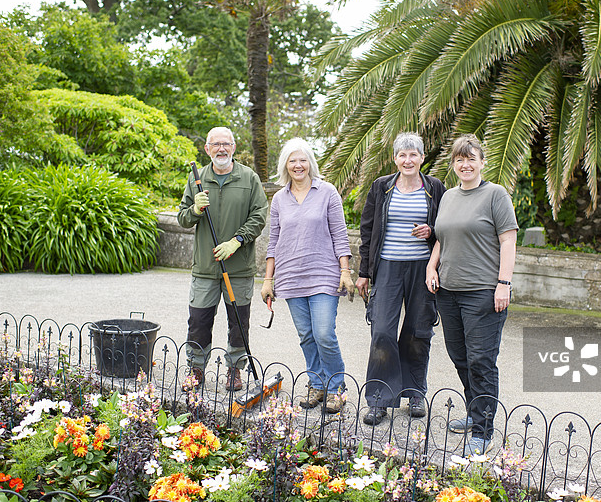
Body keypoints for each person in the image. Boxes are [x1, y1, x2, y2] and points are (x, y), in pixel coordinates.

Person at [426, 134, 518, 456]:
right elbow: (441, 238)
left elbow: (508, 241)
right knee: (460, 357)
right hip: (448, 292)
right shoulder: (449, 196)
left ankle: (483, 428)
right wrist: (431, 267)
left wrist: (503, 284)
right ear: (454, 165)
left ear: (482, 162)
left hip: (482, 293)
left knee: (481, 361)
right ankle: (474, 411)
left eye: (471, 158)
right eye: (459, 159)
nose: (465, 164)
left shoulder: (496, 194)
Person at [356, 132, 446, 425]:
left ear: (422, 158)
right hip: (387, 267)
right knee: (382, 331)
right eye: (402, 155)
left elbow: (445, 229)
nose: (408, 160)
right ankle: (380, 399)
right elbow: (367, 230)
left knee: (419, 332)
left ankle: (415, 392)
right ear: (395, 158)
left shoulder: (435, 188)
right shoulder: (381, 187)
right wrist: (364, 273)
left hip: (423, 267)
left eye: (413, 154)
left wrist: (430, 230)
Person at [260, 138, 354, 413]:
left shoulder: (327, 192)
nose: (298, 165)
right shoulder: (279, 198)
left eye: (302, 160)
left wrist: (345, 271)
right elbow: (273, 240)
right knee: (306, 335)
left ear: (310, 163)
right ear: (285, 166)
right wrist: (268, 280)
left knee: (323, 333)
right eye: (292, 160)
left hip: (324, 273)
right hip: (290, 277)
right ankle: (316, 383)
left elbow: (340, 234)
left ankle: (337, 387)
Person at [178, 126, 268, 392]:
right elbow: (183, 217)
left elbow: (259, 216)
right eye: (215, 144)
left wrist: (235, 241)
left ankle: (234, 370)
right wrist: (194, 209)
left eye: (225, 144)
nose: (221, 149)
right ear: (207, 149)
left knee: (238, 321)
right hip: (205, 268)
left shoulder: (249, 178)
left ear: (233, 147)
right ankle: (196, 369)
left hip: (238, 268)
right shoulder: (197, 179)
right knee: (199, 320)